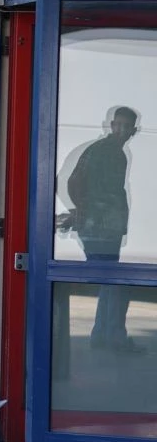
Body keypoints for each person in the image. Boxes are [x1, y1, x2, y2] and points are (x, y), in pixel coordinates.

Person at [64, 106, 141, 351]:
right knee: (113, 284)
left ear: (133, 131)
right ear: (110, 125)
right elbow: (73, 182)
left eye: (125, 126)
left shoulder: (118, 153)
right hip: (100, 229)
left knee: (109, 284)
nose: (120, 129)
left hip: (105, 228)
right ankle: (112, 338)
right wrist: (86, 210)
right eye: (117, 124)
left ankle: (103, 337)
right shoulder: (104, 151)